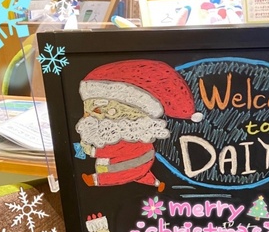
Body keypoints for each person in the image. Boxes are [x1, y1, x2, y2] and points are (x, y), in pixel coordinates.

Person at [76, 59, 202, 189]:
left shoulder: (127, 136)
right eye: (87, 111)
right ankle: (157, 183)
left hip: (122, 167)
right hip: (134, 165)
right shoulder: (117, 133)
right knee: (140, 175)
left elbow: (113, 150)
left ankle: (95, 180)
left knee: (121, 175)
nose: (88, 116)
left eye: (96, 109)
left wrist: (93, 151)